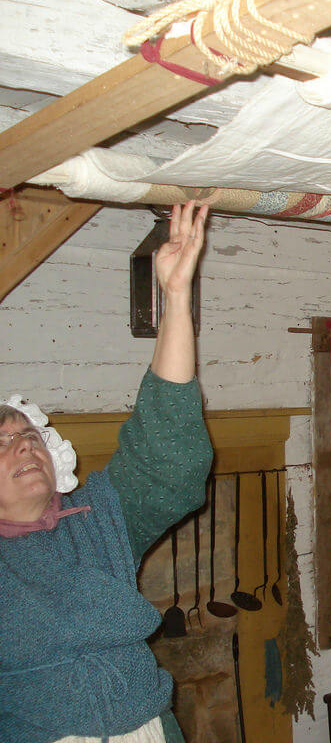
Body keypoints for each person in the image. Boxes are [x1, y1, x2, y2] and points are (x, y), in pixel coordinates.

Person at [0, 202, 215, 743]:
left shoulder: (95, 518)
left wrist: (176, 296)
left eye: (29, 435)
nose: (23, 446)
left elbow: (166, 454)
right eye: (0, 444)